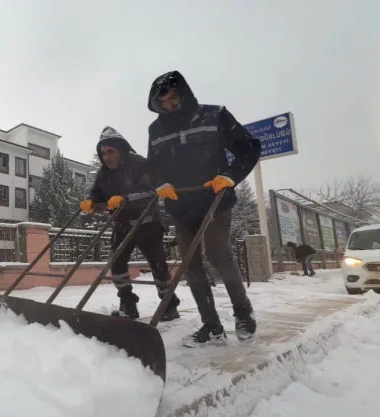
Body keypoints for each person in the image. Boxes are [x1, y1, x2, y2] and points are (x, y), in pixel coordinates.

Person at [146, 70, 261, 347]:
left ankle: (243, 313)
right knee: (190, 264)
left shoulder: (214, 115)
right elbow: (151, 168)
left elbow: (248, 148)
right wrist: (159, 183)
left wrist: (230, 176)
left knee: (218, 255)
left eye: (173, 98)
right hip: (180, 204)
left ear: (184, 95)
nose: (169, 105)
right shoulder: (156, 130)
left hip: (214, 199)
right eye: (163, 102)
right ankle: (212, 326)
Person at [80, 126, 181, 321]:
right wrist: (91, 202)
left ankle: (169, 305)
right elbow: (97, 193)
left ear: (121, 150)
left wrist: (125, 198)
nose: (107, 157)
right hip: (121, 224)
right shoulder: (104, 173)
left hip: (148, 223)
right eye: (103, 153)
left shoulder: (140, 164)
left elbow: (152, 191)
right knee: (117, 264)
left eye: (110, 151)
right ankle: (128, 304)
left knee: (158, 266)